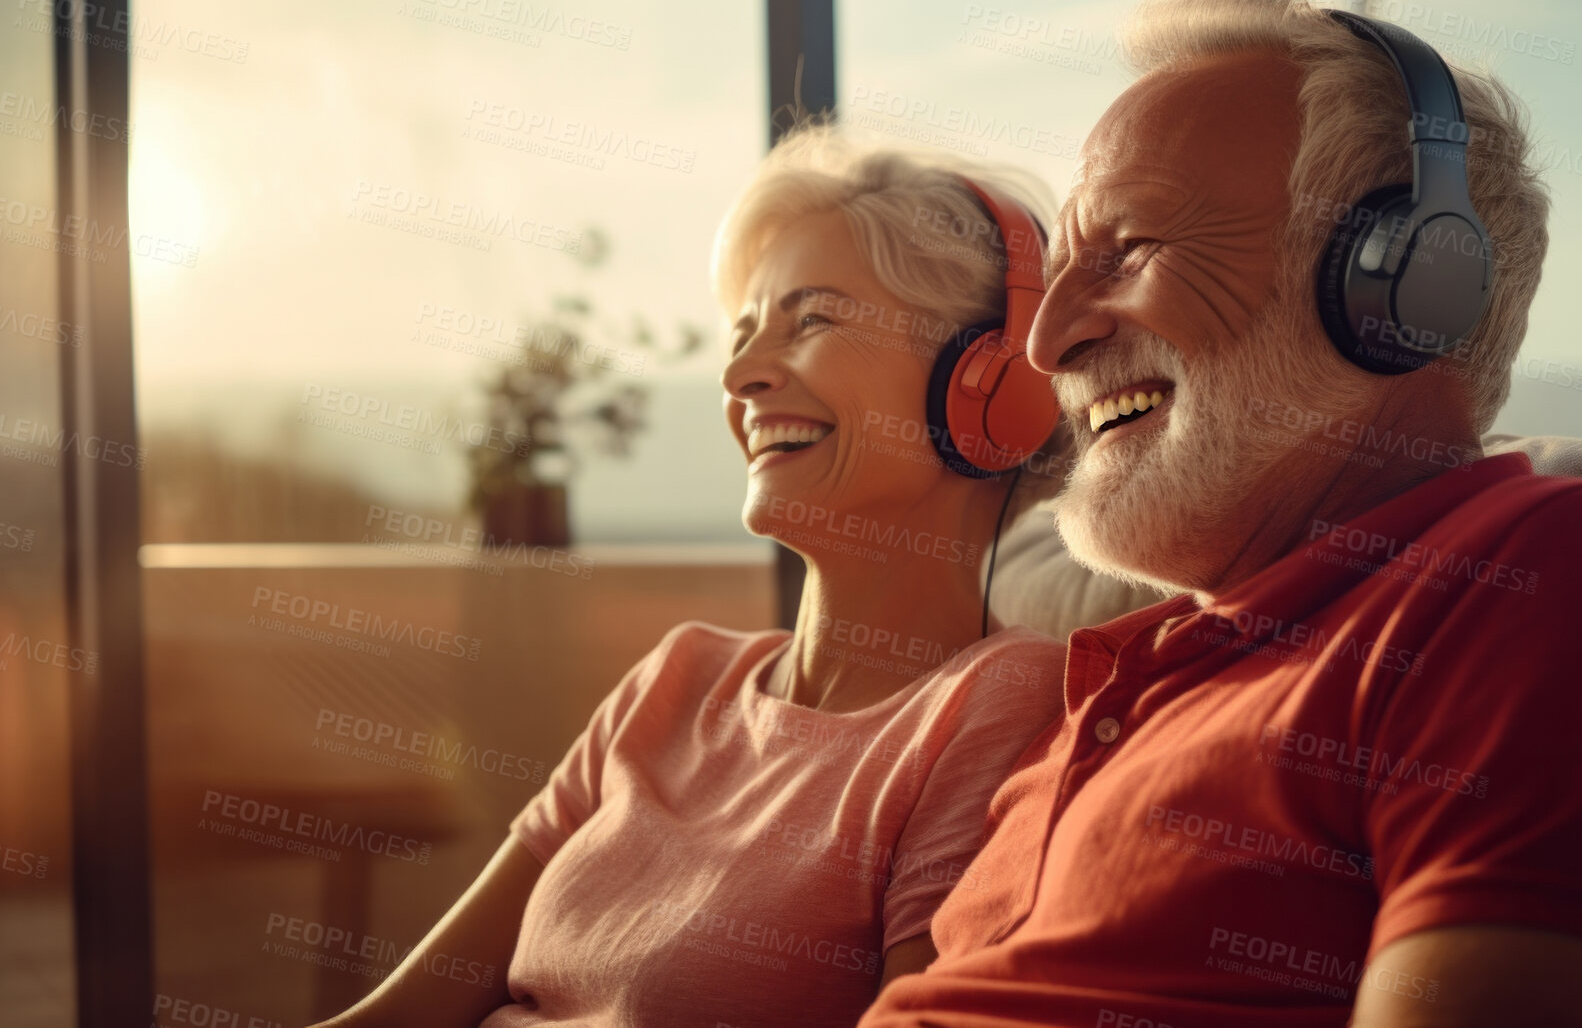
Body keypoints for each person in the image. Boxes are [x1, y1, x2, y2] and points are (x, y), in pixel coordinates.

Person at [861, 0, 1582, 1028]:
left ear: (1400, 282)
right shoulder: (1142, 669)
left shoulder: (1539, 580)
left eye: (1125, 251)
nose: (1045, 346)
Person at [311, 126, 1072, 1028]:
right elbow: (402, 1014)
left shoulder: (997, 703)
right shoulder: (676, 678)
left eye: (813, 318)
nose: (741, 374)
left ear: (987, 384)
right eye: (744, 331)